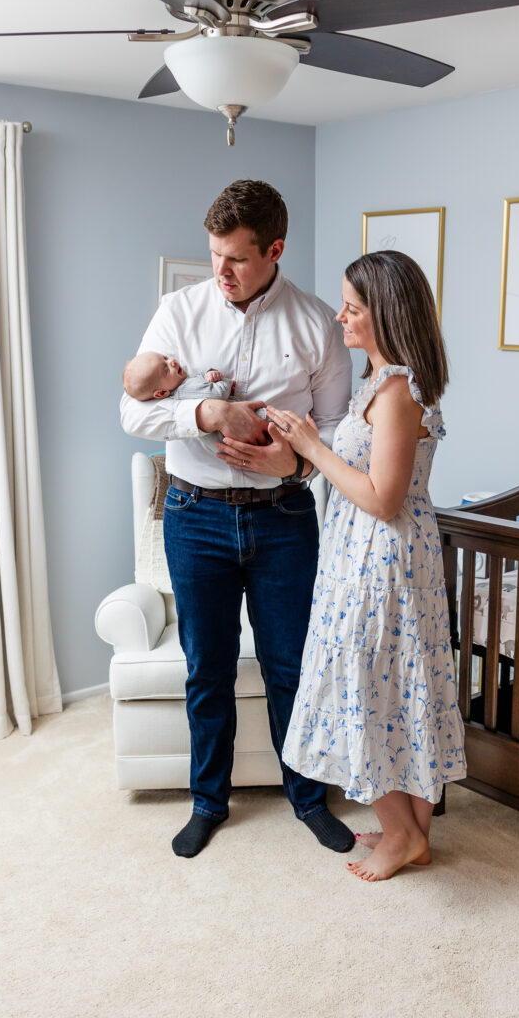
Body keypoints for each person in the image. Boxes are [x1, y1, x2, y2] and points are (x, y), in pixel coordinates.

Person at [120, 179, 353, 859]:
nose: (218, 271)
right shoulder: (177, 310)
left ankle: (307, 799)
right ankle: (206, 801)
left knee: (290, 667)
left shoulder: (314, 323)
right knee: (206, 668)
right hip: (193, 517)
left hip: (284, 518)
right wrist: (203, 413)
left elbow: (337, 429)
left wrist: (295, 465)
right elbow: (131, 410)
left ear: (274, 249)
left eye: (235, 259)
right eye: (213, 253)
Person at [269, 250, 467, 882]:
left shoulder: (398, 390)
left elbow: (383, 498)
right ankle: (413, 833)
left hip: (382, 563)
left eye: (352, 308)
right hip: (371, 556)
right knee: (394, 690)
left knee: (360, 687)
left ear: (385, 313)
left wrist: (312, 449)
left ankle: (403, 836)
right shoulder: (383, 383)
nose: (340, 317)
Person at [122, 351, 232, 403]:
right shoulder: (185, 390)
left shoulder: (184, 383)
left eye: (165, 358)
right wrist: (225, 382)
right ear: (162, 393)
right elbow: (219, 393)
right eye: (166, 369)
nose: (172, 361)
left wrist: (210, 373)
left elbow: (201, 380)